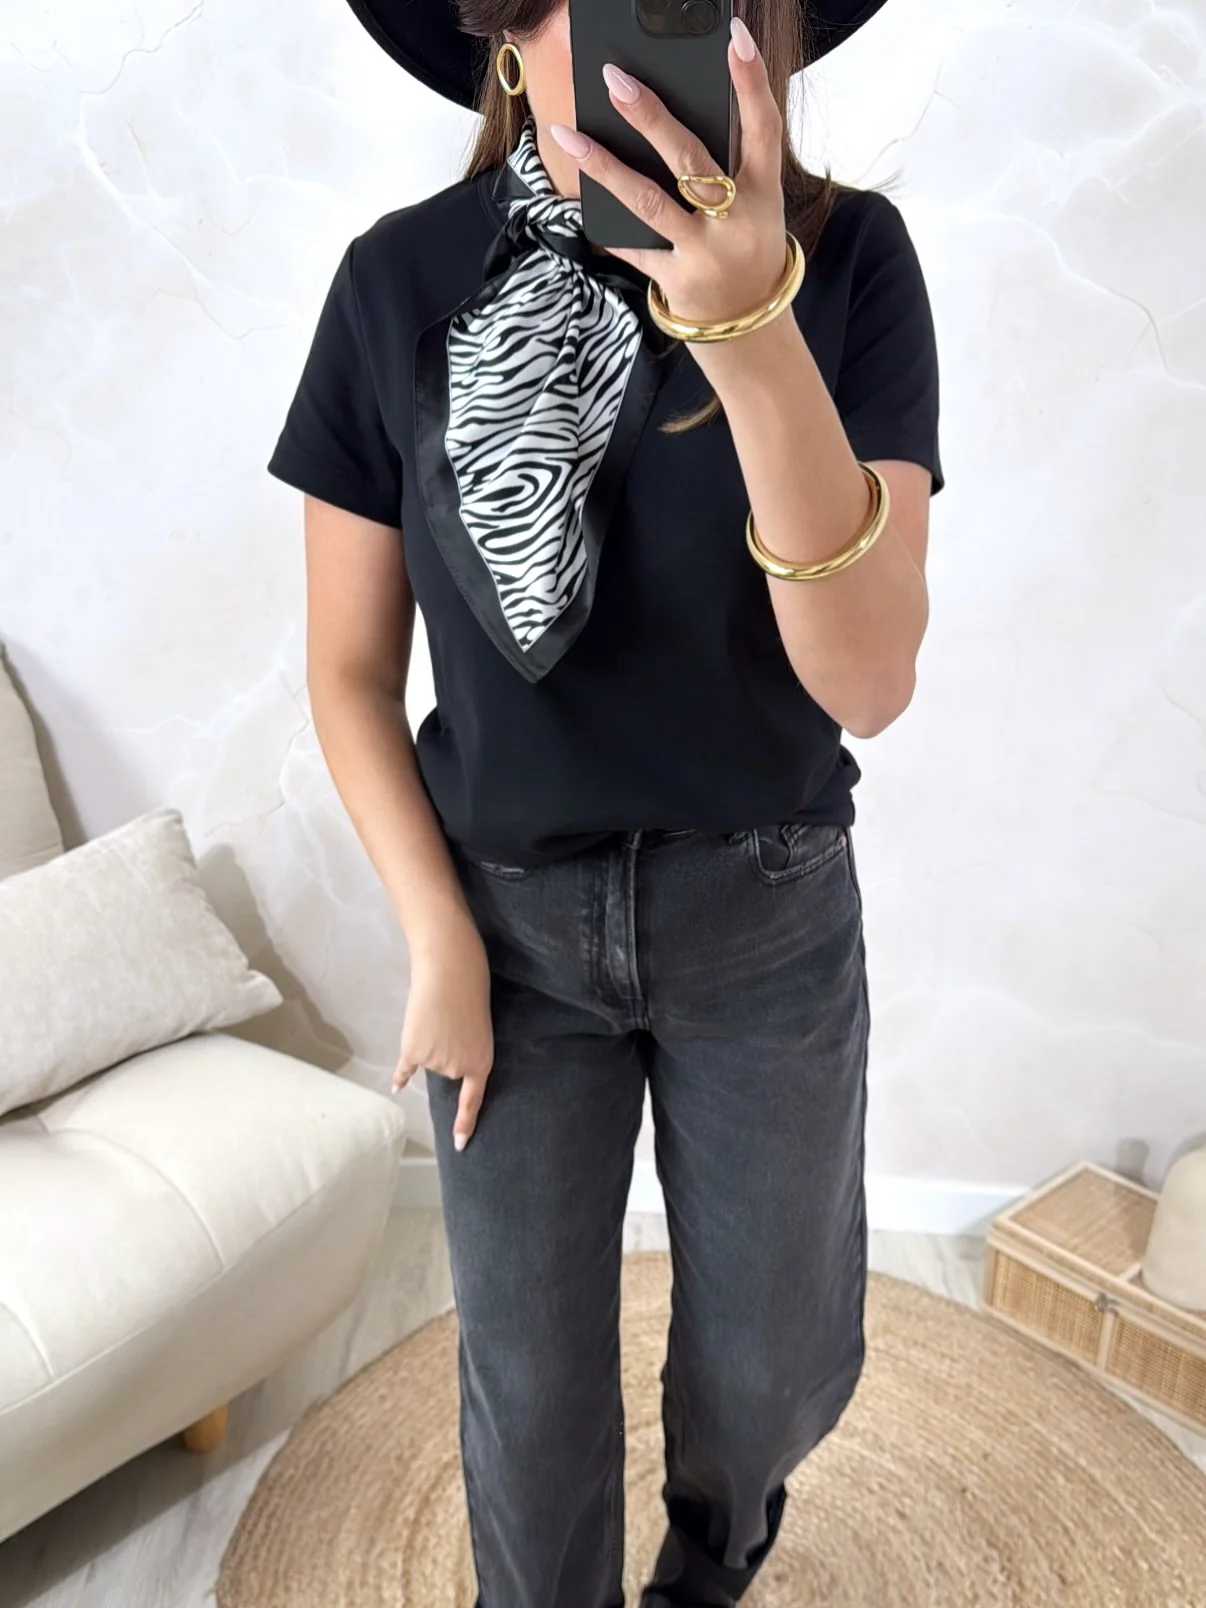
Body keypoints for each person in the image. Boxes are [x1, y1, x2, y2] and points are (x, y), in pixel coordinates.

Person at [266, 0, 943, 1600]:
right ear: (508, 37)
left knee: (772, 1372)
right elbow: (350, 674)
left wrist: (750, 327)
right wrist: (434, 935)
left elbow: (866, 682)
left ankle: (707, 1568)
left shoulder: (850, 260)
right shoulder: (395, 282)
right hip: (502, 931)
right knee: (529, 1395)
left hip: (762, 915)